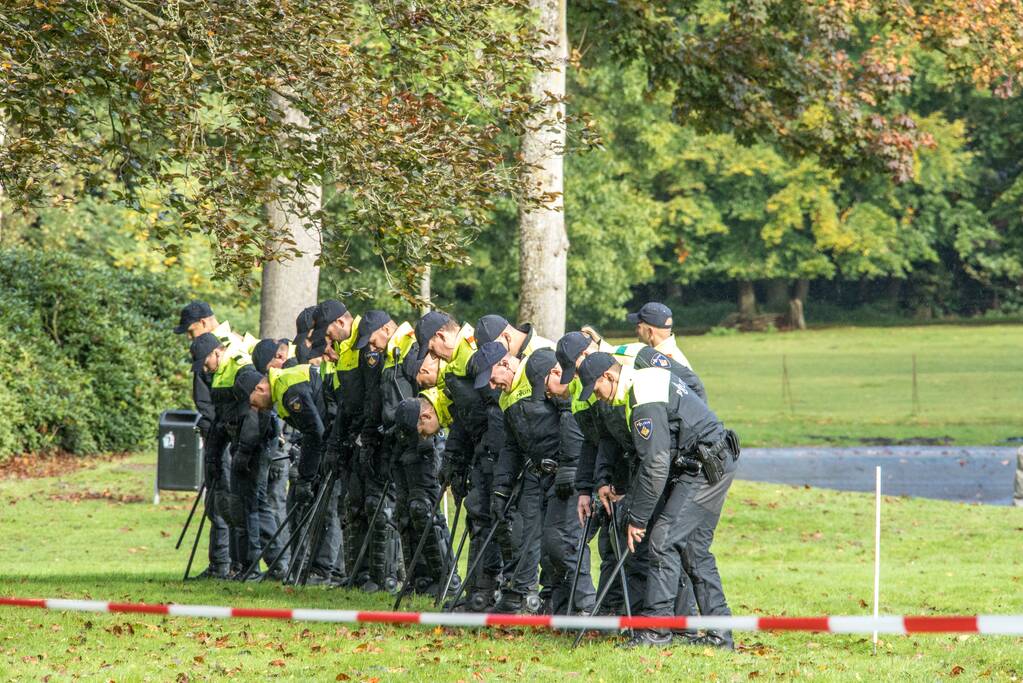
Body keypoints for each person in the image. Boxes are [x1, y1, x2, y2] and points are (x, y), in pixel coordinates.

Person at [578, 353, 738, 649]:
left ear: (610, 378)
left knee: (662, 539)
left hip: (705, 468)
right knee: (693, 550)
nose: (598, 398)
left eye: (596, 389)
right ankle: (720, 637)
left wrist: (637, 520)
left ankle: (655, 631)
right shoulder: (639, 383)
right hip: (712, 461)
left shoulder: (642, 397)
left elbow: (655, 465)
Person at [471, 342, 596, 614]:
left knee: (565, 542)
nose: (492, 386)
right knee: (539, 541)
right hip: (538, 475)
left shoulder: (540, 369)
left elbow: (570, 412)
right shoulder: (505, 398)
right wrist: (501, 488)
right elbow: (511, 446)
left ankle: (585, 607)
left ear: (506, 364)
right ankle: (551, 604)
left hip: (568, 475)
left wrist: (569, 466)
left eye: (493, 378)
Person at [626, 302, 693, 369]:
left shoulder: (663, 364)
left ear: (650, 332)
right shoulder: (664, 357)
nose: (636, 331)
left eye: (638, 327)